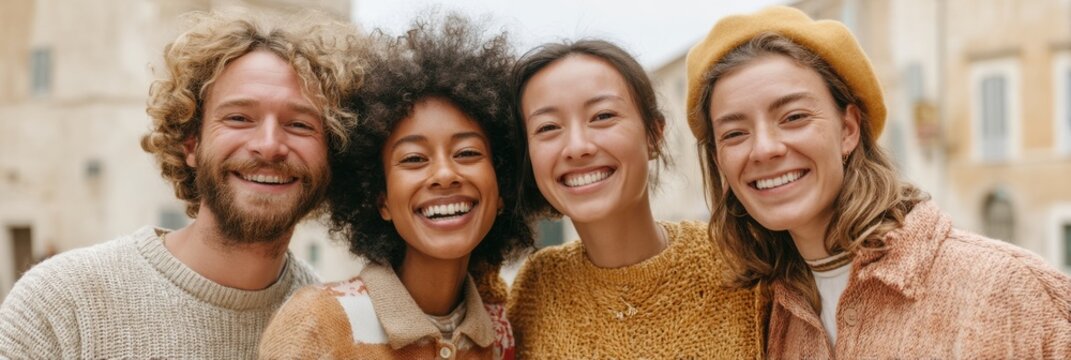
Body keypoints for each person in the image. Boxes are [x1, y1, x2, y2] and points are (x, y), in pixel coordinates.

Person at [686, 5, 1071, 358]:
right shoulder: (762, 314)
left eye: (794, 117)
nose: (765, 149)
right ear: (719, 161)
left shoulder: (1007, 289)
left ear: (848, 129)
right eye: (734, 134)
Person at [0, 11, 364, 359]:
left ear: (331, 154)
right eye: (239, 118)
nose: (269, 145)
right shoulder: (61, 304)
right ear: (191, 143)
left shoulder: (338, 330)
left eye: (300, 124)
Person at [258, 13, 530, 359]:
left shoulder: (502, 334)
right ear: (380, 197)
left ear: (502, 185)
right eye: (415, 159)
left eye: (467, 152)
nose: (445, 174)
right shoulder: (320, 322)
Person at [506, 40, 766, 358]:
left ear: (654, 134)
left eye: (602, 116)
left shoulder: (744, 264)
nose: (577, 146)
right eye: (548, 127)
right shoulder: (536, 288)